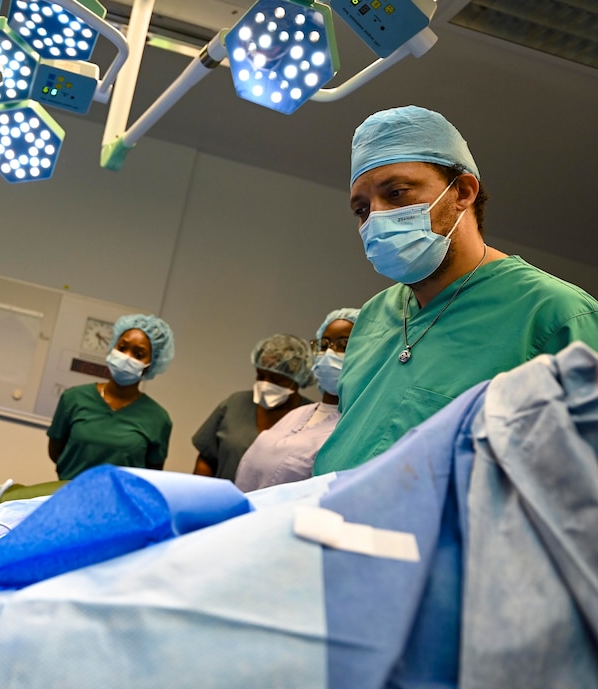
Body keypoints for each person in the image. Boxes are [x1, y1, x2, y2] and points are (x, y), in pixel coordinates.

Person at [313, 105, 598, 475]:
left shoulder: (556, 315)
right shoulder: (372, 315)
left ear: (462, 191)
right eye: (362, 210)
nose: (376, 218)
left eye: (397, 193)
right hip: (328, 519)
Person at [234, 308, 360, 493]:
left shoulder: (353, 427)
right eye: (324, 345)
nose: (329, 355)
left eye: (344, 345)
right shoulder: (299, 414)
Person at [47, 314, 175, 481]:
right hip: (70, 495)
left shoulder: (157, 419)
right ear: (112, 348)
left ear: (152, 363)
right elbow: (56, 451)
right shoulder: (74, 398)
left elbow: (151, 476)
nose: (126, 357)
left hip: (121, 503)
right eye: (122, 348)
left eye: (138, 354)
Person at [192, 333, 314, 482]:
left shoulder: (312, 417)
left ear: (298, 378)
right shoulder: (235, 404)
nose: (266, 383)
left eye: (276, 379)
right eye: (261, 376)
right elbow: (207, 457)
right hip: (223, 501)